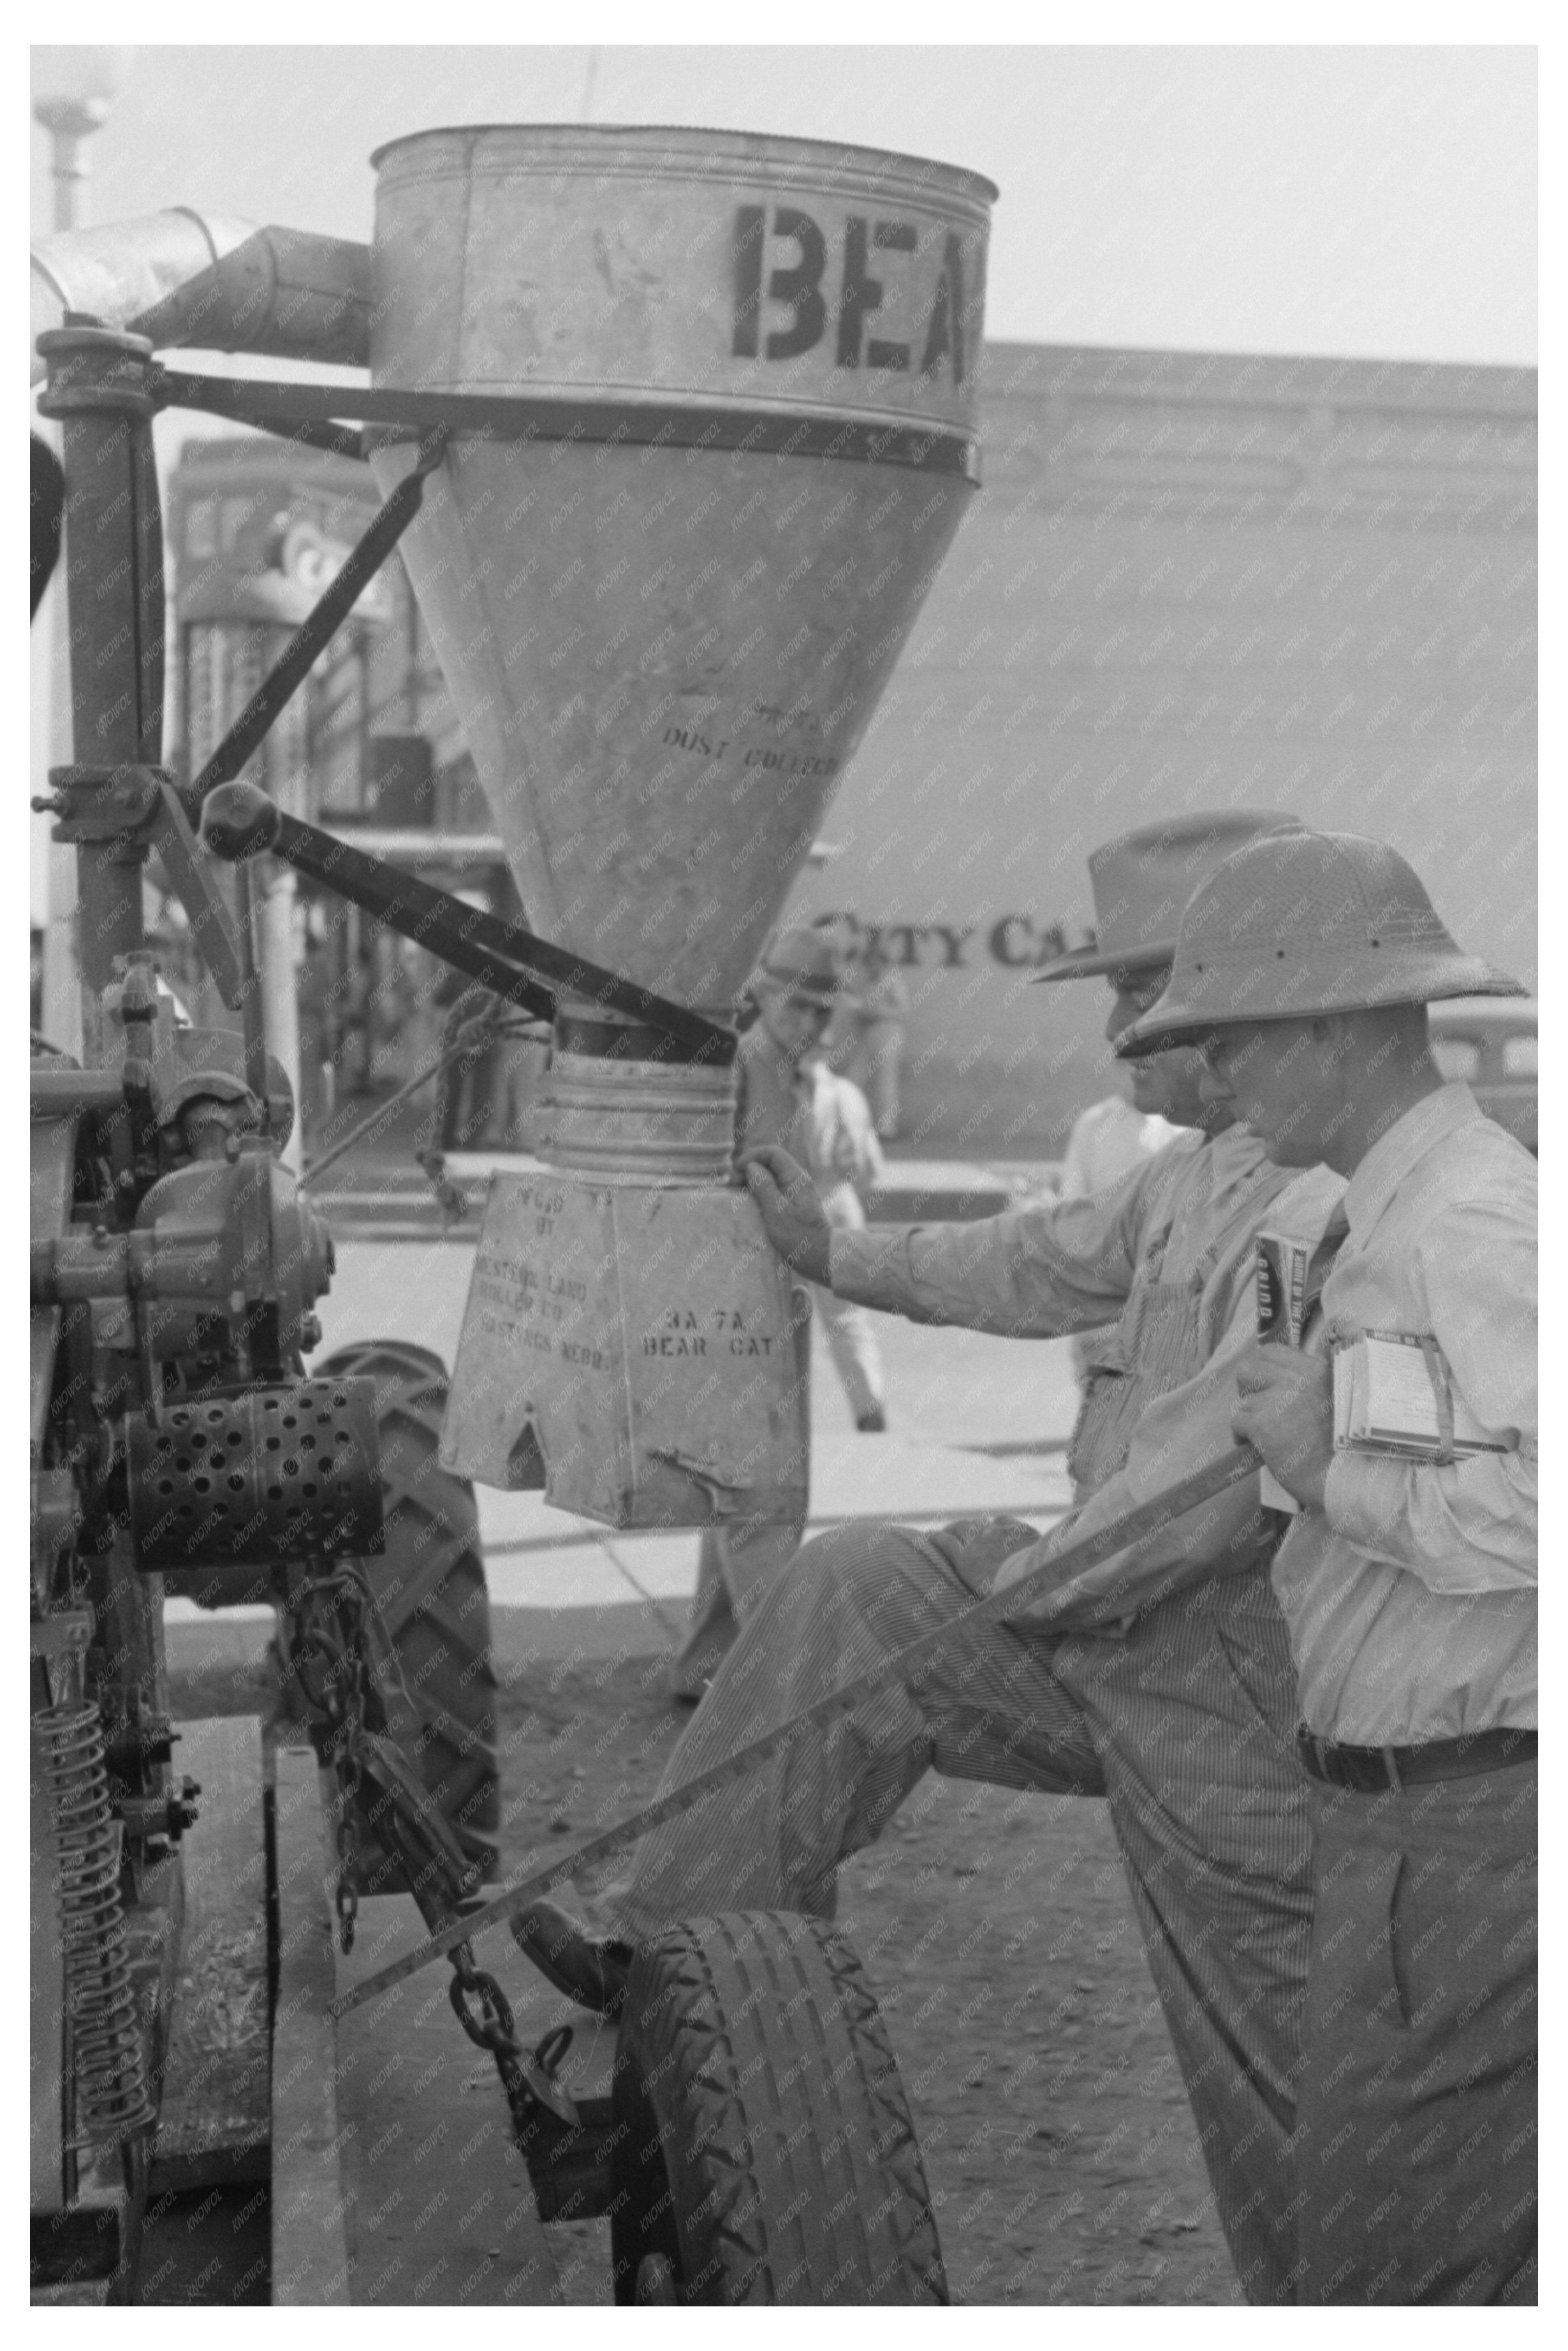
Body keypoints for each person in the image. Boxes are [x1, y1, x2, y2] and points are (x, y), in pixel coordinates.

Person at [515, 810, 1347, 2305]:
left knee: (1283, 2083)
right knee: (850, 1592)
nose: (1110, 1028)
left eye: (1132, 992)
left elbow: (1211, 1482)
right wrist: (844, 1256)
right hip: (1105, 1624)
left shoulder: (1309, 1198)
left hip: (1228, 1693)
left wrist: (1030, 1584)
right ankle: (680, 1975)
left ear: (1222, 1001)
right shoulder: (1193, 1170)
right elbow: (1032, 1258)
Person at [1119, 828, 1536, 2305]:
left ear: (1334, 1024)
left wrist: (1328, 1472)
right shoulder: (1369, 1210)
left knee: (1382, 2270)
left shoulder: (1473, 1222)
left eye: (1231, 1038)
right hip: (1399, 1816)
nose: (1214, 1077)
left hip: (1471, 1819)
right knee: (1380, 2252)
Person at [663, 927, 846, 1702]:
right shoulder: (737, 1069)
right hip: (739, 1306)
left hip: (781, 1299)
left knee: (744, 1489)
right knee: (760, 1493)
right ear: (765, 996)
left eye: (822, 1013)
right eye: (801, 1008)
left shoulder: (795, 1077)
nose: (813, 1025)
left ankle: (707, 1664)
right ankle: (779, 1679)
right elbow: (701, 1189)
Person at [802, 1050, 889, 1432]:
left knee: (787, 1311)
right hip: (841, 1203)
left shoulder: (790, 1096)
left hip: (799, 1205)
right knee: (847, 1316)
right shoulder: (848, 1094)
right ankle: (869, 1405)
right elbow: (871, 1170)